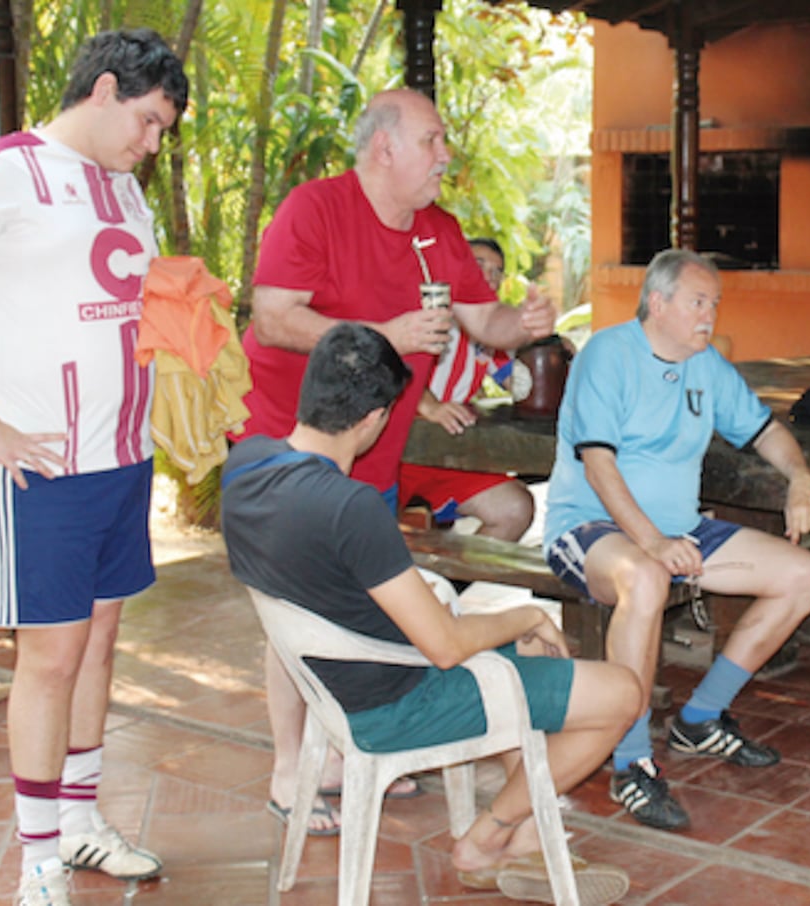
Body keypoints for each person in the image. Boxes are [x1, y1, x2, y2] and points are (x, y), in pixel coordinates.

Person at [221, 324, 637, 902]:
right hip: (397, 700)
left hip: (334, 681)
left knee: (537, 660)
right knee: (621, 692)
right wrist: (525, 618)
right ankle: (486, 839)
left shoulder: (246, 464)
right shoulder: (351, 507)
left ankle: (522, 834)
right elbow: (444, 647)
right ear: (375, 418)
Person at [238, 88, 555, 821]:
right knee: (295, 609)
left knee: (355, 607)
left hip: (372, 460)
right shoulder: (315, 208)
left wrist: (523, 322)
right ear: (386, 147)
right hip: (291, 448)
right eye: (434, 140)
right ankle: (290, 771)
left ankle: (352, 746)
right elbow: (275, 317)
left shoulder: (438, 229)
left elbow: (487, 321)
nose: (447, 155)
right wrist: (385, 332)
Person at [0, 29, 187, 906]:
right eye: (148, 121)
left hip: (122, 457)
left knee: (101, 642)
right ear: (106, 89)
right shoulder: (0, 170)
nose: (152, 144)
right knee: (50, 656)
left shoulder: (122, 187)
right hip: (40, 462)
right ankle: (39, 859)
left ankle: (80, 825)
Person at [543, 248, 810, 831]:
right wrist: (649, 541)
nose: (710, 316)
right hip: (593, 528)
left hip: (679, 529)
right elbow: (597, 463)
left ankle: (699, 719)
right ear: (658, 302)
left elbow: (767, 430)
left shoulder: (706, 367)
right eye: (699, 302)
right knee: (645, 580)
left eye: (715, 304)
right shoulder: (607, 355)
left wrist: (800, 477)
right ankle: (629, 763)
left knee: (804, 574)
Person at [398, 237, 535, 541]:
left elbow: (525, 385)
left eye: (497, 271)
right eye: (478, 265)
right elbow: (390, 366)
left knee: (515, 508)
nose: (489, 276)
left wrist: (549, 351)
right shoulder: (421, 313)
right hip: (394, 456)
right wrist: (429, 404)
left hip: (448, 457)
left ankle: (451, 585)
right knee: (365, 526)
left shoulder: (493, 337)